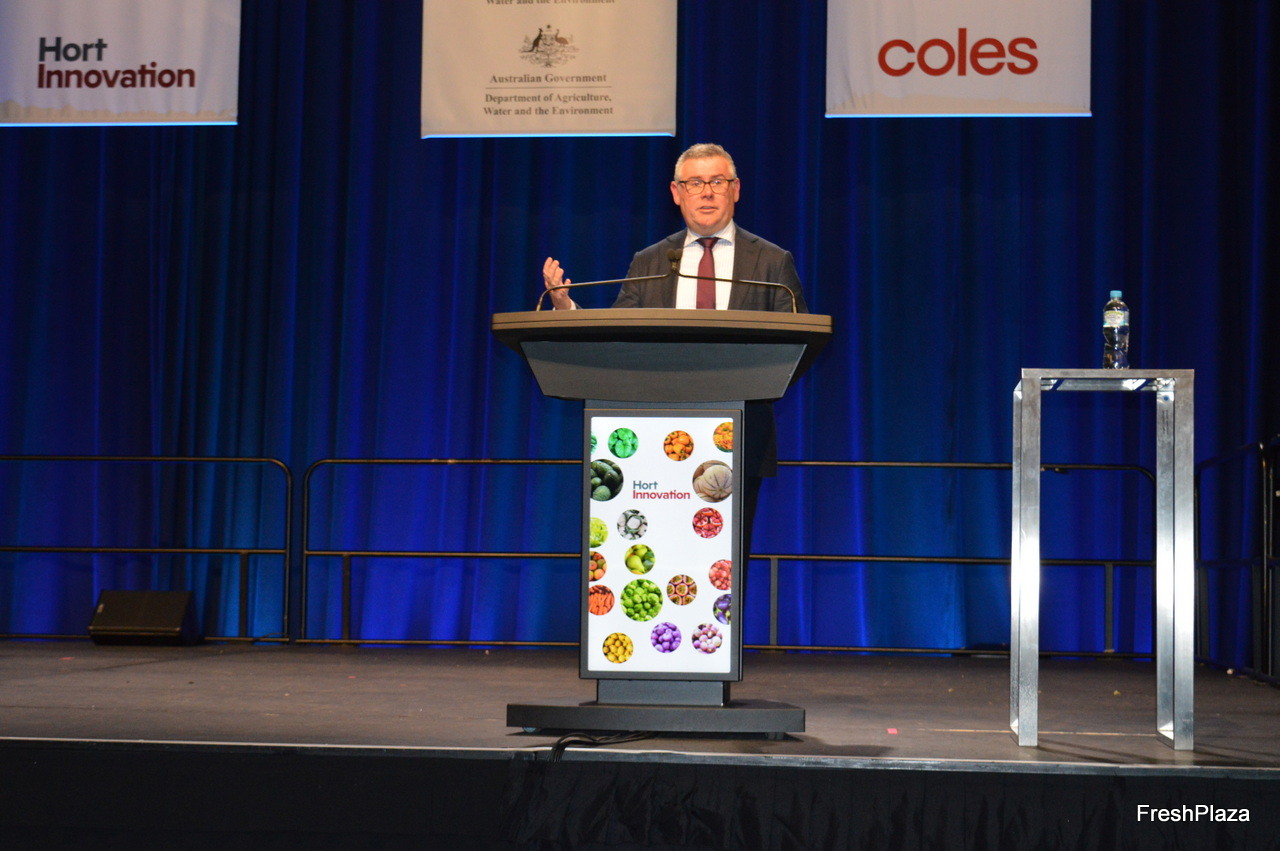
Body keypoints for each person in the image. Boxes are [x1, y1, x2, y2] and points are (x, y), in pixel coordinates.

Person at [541, 142, 810, 577]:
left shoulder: (772, 262)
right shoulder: (651, 261)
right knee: (657, 555)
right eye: (694, 183)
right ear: (676, 192)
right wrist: (565, 308)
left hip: (738, 434)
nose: (707, 192)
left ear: (736, 189)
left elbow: (796, 346)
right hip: (654, 437)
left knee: (724, 568)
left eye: (717, 181)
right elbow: (616, 340)